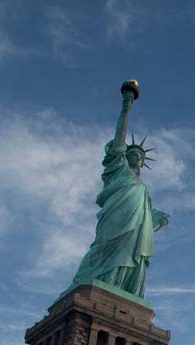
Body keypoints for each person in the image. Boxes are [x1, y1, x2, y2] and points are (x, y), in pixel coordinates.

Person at [67, 81, 170, 299]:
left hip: (135, 230)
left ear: (143, 163)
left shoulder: (143, 189)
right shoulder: (118, 169)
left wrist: (155, 218)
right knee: (103, 248)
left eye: (141, 156)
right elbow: (119, 137)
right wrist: (126, 106)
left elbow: (146, 217)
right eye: (132, 152)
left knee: (132, 256)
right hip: (115, 218)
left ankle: (122, 290)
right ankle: (94, 285)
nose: (137, 156)